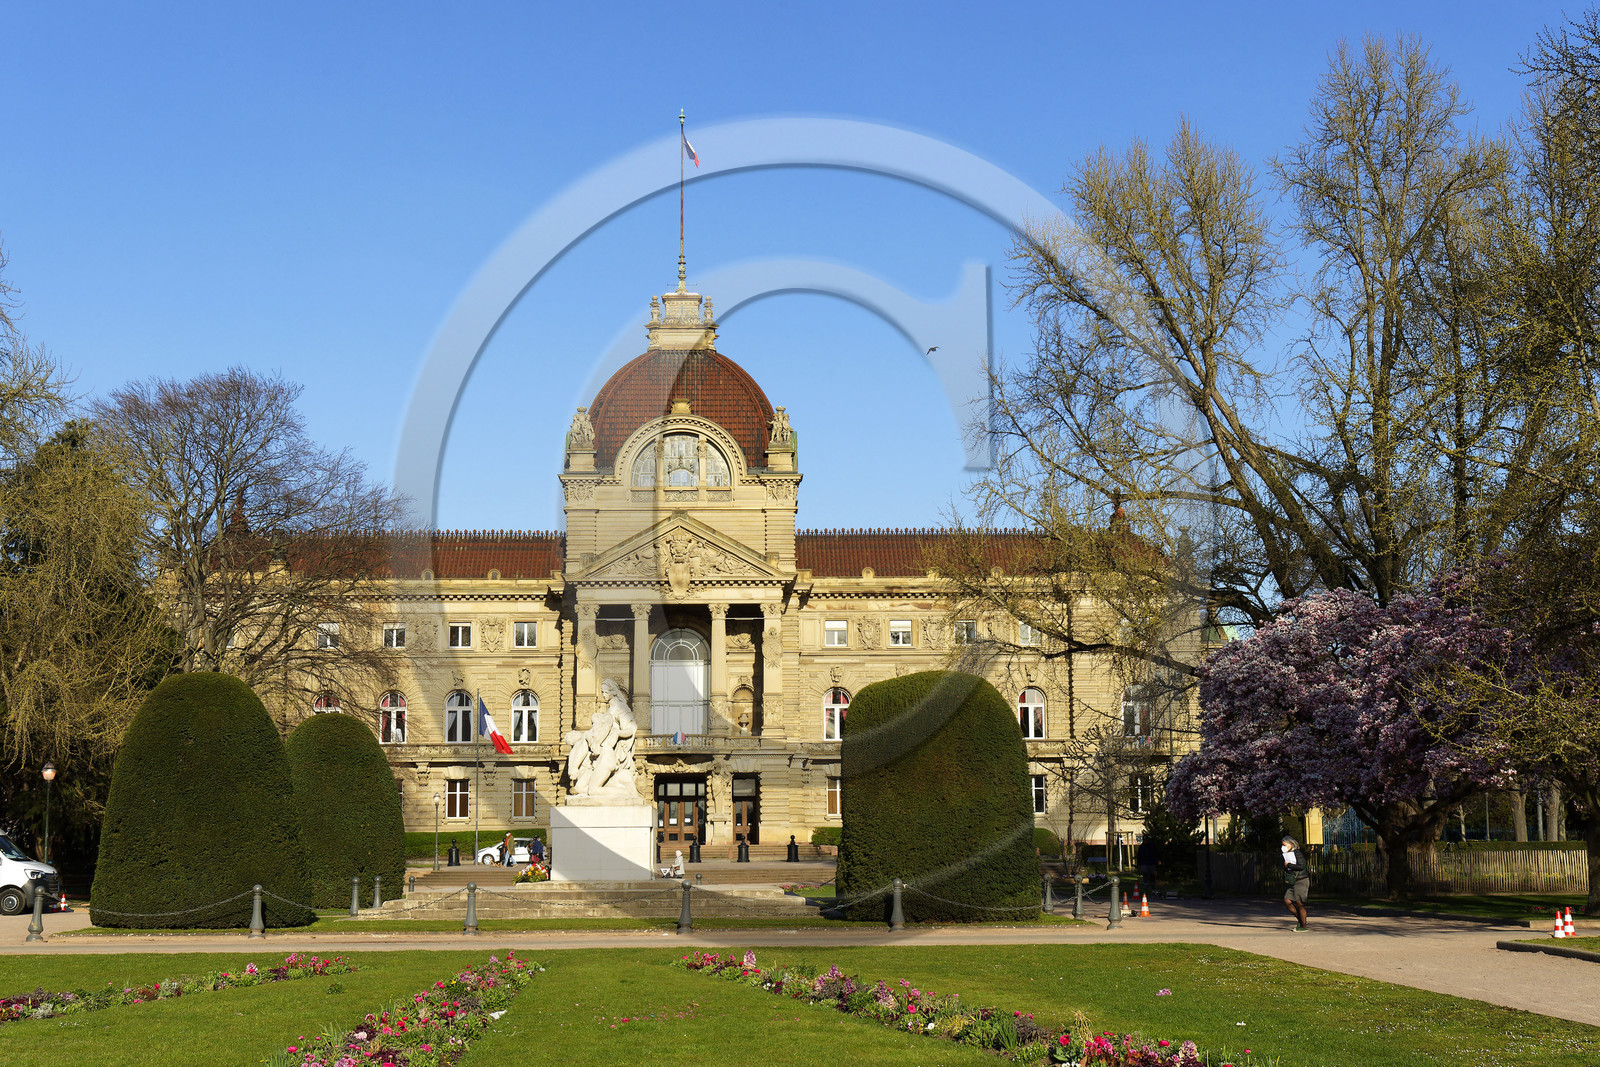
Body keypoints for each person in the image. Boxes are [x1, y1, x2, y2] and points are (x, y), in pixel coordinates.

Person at [1281, 835, 1311, 930]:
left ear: (1291, 844)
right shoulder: (1286, 855)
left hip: (1301, 880)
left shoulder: (1297, 852)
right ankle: (1301, 920)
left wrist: (1289, 865)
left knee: (1299, 903)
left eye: (1285, 845)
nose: (1284, 847)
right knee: (1287, 901)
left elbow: (1302, 866)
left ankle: (1304, 926)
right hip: (1293, 881)